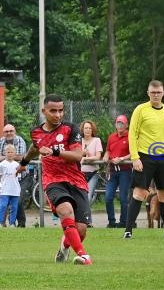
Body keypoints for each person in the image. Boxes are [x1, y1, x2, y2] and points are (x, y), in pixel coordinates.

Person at [17, 94, 93, 265]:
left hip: (76, 180)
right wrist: (23, 163)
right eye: (53, 111)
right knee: (65, 211)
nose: (58, 115)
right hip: (53, 180)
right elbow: (35, 148)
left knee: (80, 231)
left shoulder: (71, 129)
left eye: (61, 110)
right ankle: (84, 255)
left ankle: (64, 248)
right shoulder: (36, 132)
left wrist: (54, 151)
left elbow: (77, 156)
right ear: (44, 111)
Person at [123, 80, 164, 239]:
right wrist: (135, 157)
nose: (156, 95)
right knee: (139, 194)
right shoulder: (140, 110)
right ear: (148, 93)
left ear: (163, 93)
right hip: (145, 157)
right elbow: (132, 134)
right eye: (153, 92)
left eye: (158, 92)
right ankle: (128, 231)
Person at [102, 115, 132, 228]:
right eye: (118, 123)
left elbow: (134, 152)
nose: (120, 126)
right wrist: (105, 156)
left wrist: (122, 158)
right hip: (112, 171)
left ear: (126, 125)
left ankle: (124, 222)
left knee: (124, 198)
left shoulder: (130, 136)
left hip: (125, 171)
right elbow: (108, 151)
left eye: (122, 124)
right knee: (108, 197)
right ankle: (111, 222)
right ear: (115, 124)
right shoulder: (111, 137)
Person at [0, 124, 27, 227]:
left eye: (11, 131)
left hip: (23, 177)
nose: (9, 133)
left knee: (18, 202)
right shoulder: (1, 141)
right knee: (3, 204)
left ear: (14, 131)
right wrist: (10, 156)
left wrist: (5, 156)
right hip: (5, 178)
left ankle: (20, 224)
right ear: (4, 133)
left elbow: (21, 157)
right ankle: (3, 223)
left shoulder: (20, 141)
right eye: (6, 131)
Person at [80, 120, 103, 203]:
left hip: (93, 172)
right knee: (79, 197)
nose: (88, 130)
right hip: (80, 173)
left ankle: (86, 216)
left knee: (88, 198)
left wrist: (86, 158)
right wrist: (83, 154)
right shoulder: (79, 141)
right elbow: (76, 155)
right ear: (82, 129)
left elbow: (98, 156)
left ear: (92, 130)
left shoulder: (97, 140)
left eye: (90, 128)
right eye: (86, 128)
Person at [0, 144, 21, 227]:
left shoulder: (17, 165)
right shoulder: (2, 164)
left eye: (12, 152)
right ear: (5, 153)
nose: (10, 154)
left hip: (15, 190)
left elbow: (18, 178)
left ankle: (12, 223)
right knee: (3, 206)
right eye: (8, 152)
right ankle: (1, 222)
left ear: (14, 153)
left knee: (14, 207)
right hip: (4, 189)